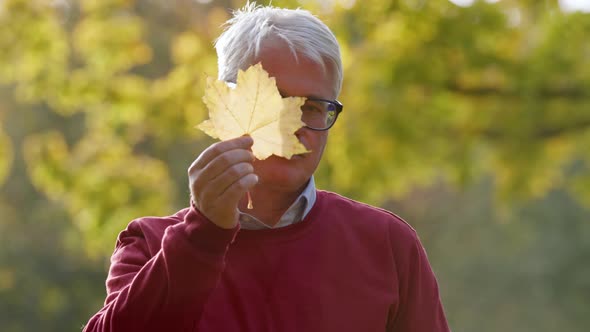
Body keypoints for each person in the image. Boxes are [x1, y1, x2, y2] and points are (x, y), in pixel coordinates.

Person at [84, 3, 450, 332]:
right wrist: (202, 237)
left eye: (312, 107)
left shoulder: (386, 245)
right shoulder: (151, 246)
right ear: (226, 106)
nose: (293, 126)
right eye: (274, 100)